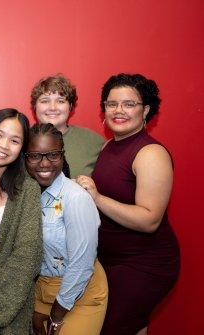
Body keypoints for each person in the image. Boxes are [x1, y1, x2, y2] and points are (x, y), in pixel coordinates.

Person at [76, 73, 180, 335]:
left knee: (112, 326)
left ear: (146, 110)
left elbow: (149, 220)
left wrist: (97, 198)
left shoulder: (150, 153)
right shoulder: (109, 145)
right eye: (111, 104)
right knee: (132, 326)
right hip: (109, 261)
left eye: (128, 104)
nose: (118, 110)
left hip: (144, 264)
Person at [25, 123, 108, 335]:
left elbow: (81, 266)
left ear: (62, 156)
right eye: (35, 156)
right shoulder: (25, 196)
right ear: (25, 158)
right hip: (42, 290)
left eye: (53, 155)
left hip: (80, 291)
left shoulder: (76, 198)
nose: (44, 163)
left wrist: (56, 316)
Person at [0, 108, 43, 334]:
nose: (4, 145)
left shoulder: (27, 189)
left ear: (22, 148)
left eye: (15, 140)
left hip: (7, 283)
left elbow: (28, 254)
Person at [31, 74, 104, 178]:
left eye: (60, 101)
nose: (52, 107)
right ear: (35, 106)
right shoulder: (20, 141)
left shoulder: (94, 141)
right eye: (45, 101)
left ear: (70, 106)